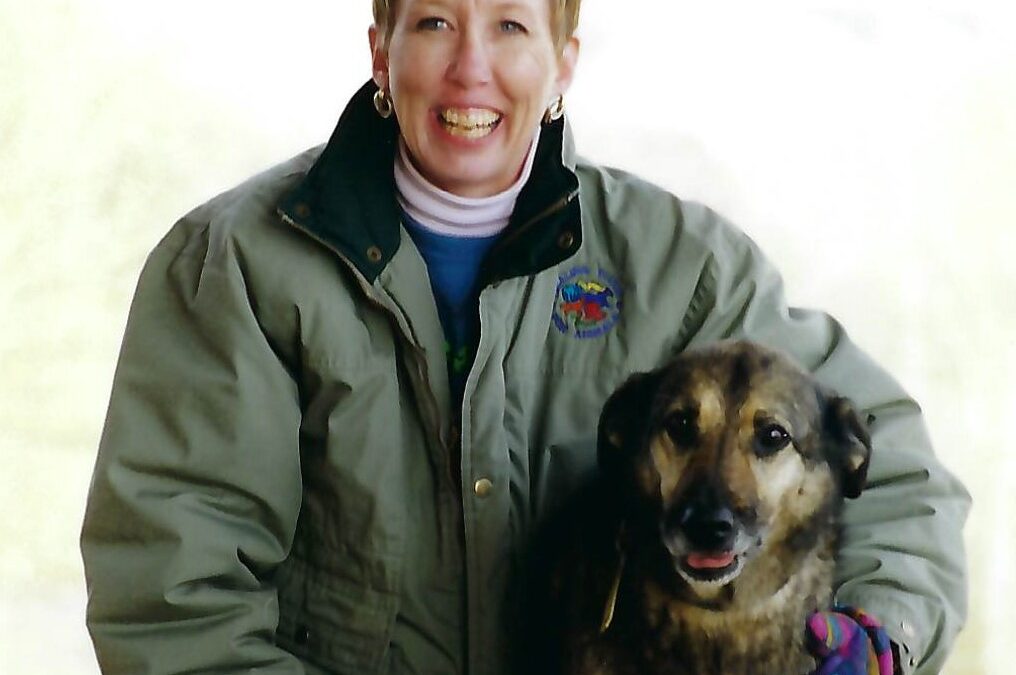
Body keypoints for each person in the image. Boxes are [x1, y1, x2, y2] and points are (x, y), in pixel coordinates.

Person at [80, 1, 969, 673]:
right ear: (380, 50)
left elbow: (892, 468)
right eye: (434, 21)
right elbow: (178, 602)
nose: (472, 69)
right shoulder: (237, 267)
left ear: (562, 63)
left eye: (510, 25)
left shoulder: (680, 267)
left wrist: (881, 624)